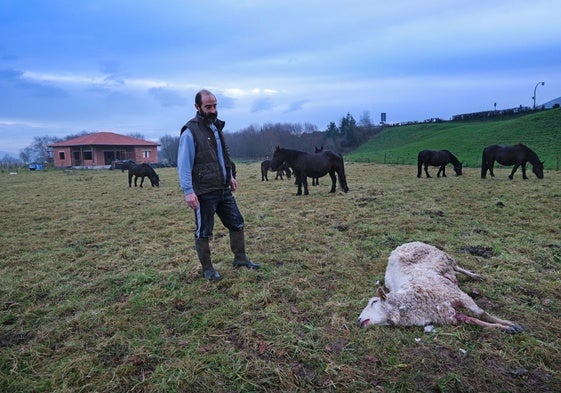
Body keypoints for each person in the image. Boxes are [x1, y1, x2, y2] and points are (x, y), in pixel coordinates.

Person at [178, 89, 260, 280]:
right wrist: (189, 191)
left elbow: (223, 156)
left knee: (237, 223)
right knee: (204, 231)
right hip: (204, 192)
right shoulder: (190, 132)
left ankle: (240, 259)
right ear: (197, 107)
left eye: (215, 106)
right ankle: (208, 269)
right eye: (208, 106)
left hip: (223, 189)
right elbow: (184, 164)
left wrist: (230, 175)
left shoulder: (216, 128)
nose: (213, 110)